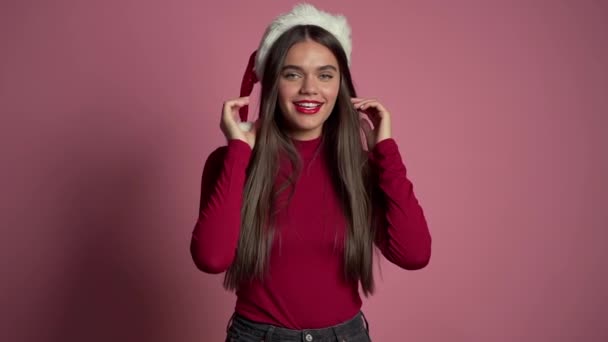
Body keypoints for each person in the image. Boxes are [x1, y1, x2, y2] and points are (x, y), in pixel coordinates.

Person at [190, 3, 432, 341]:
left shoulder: (362, 168)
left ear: (341, 86)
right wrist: (239, 150)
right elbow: (212, 258)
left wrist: (384, 151)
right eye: (292, 74)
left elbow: (414, 254)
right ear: (273, 82)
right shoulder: (231, 162)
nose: (309, 88)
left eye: (325, 74)